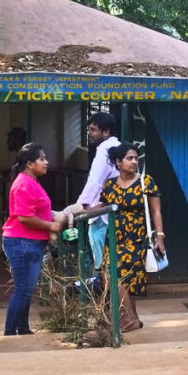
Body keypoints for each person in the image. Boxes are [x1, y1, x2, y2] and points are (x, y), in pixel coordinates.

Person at [95, 142, 165, 332]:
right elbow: (100, 206)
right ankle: (133, 318)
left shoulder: (145, 181)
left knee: (118, 276)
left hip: (136, 240)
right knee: (116, 276)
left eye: (136, 158)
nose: (134, 162)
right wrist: (75, 213)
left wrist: (160, 237)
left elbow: (156, 212)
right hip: (114, 240)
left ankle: (128, 318)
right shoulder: (110, 185)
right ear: (118, 162)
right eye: (129, 158)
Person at [2, 142, 65, 336]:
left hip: (28, 242)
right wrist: (51, 226)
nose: (46, 162)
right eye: (42, 159)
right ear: (30, 164)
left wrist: (55, 215)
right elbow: (24, 217)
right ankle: (10, 332)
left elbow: (37, 211)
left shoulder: (30, 182)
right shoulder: (24, 184)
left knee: (26, 290)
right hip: (23, 242)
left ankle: (22, 328)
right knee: (23, 290)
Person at [69, 112, 120, 268]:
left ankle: (104, 289)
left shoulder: (105, 149)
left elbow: (95, 181)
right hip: (113, 208)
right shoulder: (118, 147)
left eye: (93, 130)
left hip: (101, 212)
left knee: (102, 263)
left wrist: (80, 205)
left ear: (106, 132)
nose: (89, 134)